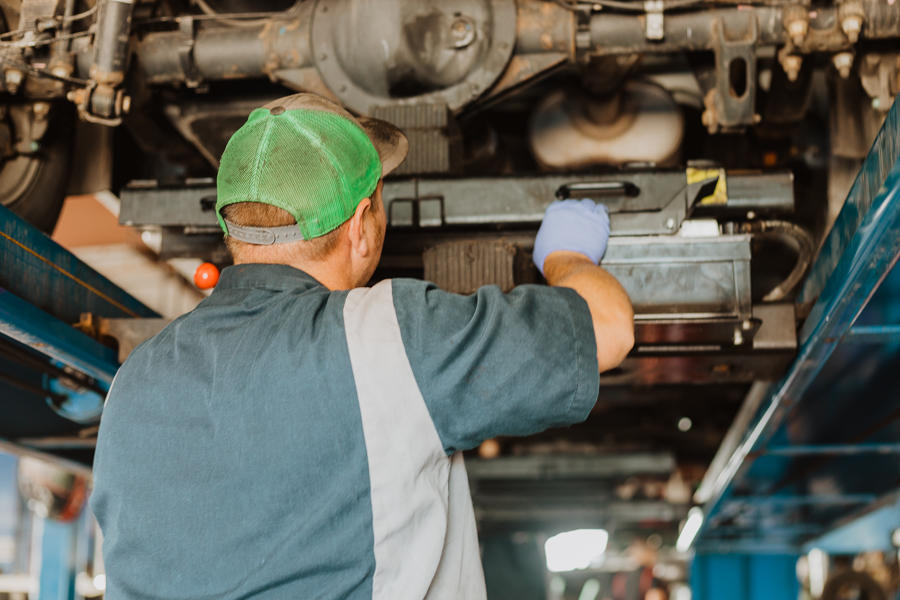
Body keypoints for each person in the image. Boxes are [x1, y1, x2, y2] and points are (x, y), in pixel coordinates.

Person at [90, 93, 634, 599]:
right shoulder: (387, 337)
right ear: (360, 229)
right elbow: (607, 327)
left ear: (234, 228)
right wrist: (568, 257)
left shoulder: (133, 379)